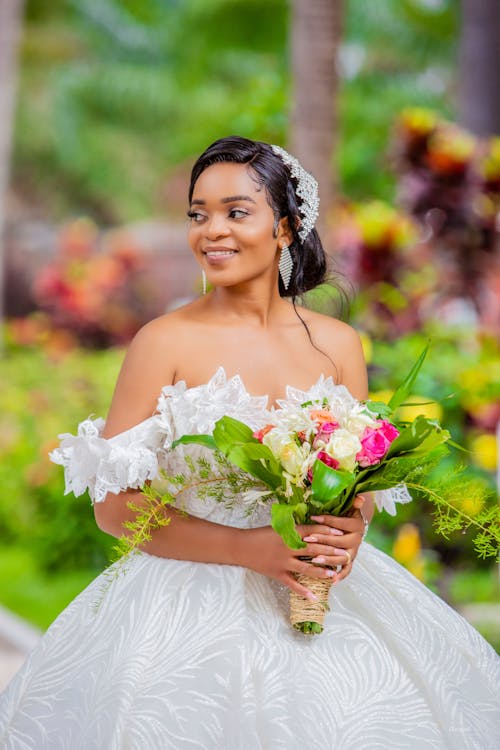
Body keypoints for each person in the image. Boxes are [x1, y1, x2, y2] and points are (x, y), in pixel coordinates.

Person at [0, 136, 499, 749]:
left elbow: (355, 477)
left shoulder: (338, 344)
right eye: (198, 213)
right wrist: (248, 549)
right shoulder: (163, 342)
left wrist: (353, 528)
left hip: (319, 596)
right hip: (183, 606)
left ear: (286, 229)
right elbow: (114, 508)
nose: (213, 230)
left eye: (237, 212)